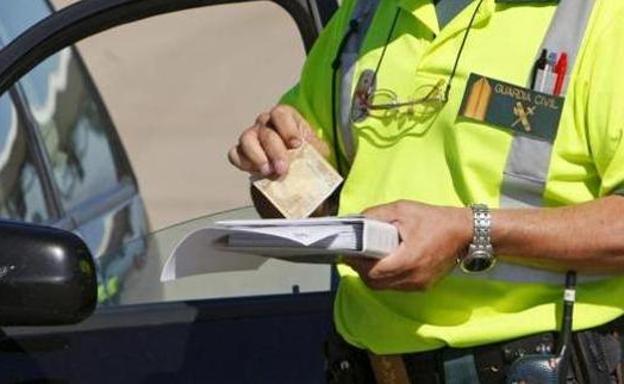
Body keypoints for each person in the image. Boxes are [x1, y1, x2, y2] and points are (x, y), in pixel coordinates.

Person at [228, 0, 624, 382]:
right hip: (368, 364)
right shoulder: (364, 13)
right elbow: (304, 207)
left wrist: (473, 232)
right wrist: (277, 164)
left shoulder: (602, 15)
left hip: (536, 363)